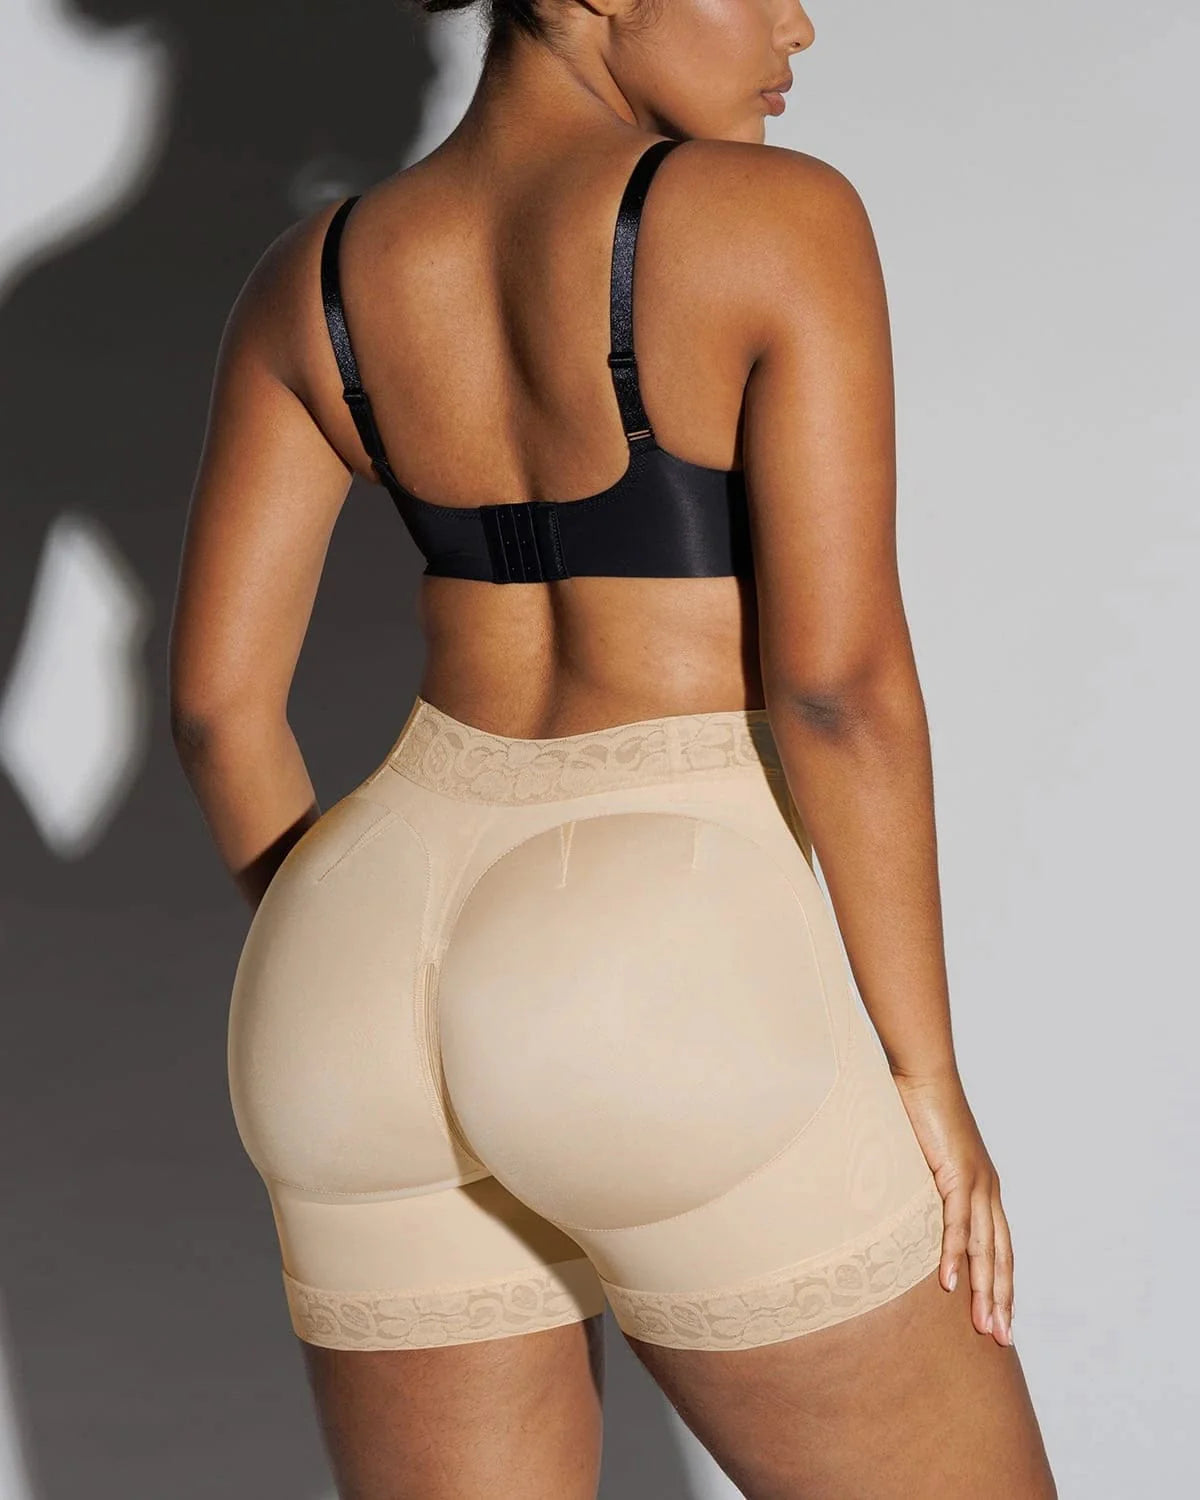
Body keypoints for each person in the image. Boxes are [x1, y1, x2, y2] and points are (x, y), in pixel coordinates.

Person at [169, 0, 1058, 1494]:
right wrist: (927, 1072)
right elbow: (837, 688)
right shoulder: (776, 219)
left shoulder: (308, 282)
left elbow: (215, 709)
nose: (800, 25)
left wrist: (375, 962)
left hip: (350, 966)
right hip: (656, 945)